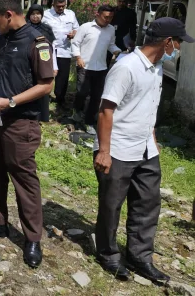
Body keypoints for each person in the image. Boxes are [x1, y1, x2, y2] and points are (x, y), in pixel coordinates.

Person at [93, 17, 193, 282]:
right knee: (111, 205)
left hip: (146, 148)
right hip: (118, 148)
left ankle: (140, 257)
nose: (179, 48)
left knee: (148, 204)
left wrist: (153, 138)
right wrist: (104, 151)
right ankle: (108, 254)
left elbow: (147, 106)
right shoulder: (126, 67)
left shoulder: (156, 67)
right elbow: (105, 110)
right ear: (167, 42)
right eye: (178, 43)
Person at [0, 0, 54, 268]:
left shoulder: (37, 42)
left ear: (9, 15)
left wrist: (10, 102)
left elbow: (46, 85)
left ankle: (32, 238)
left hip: (21, 122)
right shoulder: (2, 39)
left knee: (23, 178)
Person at [70, 5, 121, 134]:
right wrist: (78, 57)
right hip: (84, 66)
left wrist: (117, 51)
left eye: (110, 17)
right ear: (97, 14)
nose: (108, 20)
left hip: (101, 67)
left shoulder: (110, 29)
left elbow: (111, 44)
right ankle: (77, 111)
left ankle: (89, 121)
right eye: (105, 17)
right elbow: (75, 43)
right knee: (82, 92)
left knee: (96, 96)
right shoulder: (86, 27)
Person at [43, 0, 79, 106]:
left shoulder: (70, 14)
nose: (61, 8)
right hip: (48, 49)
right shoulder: (46, 14)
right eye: (58, 6)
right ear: (53, 5)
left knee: (63, 76)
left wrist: (73, 33)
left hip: (65, 49)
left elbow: (77, 28)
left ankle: (60, 98)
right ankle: (44, 97)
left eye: (63, 6)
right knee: (46, 74)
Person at [26, 4, 59, 122]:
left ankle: (41, 117)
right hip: (28, 63)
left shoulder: (47, 29)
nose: (35, 16)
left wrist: (54, 66)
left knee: (43, 87)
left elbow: (52, 49)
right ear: (29, 15)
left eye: (38, 14)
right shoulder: (24, 28)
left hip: (44, 63)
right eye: (33, 14)